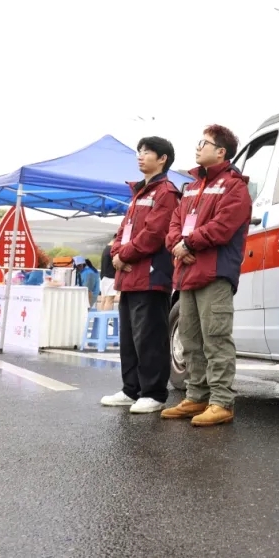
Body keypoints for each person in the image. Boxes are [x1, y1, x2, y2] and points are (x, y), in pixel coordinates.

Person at [161, 125, 252, 427]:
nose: (198, 147)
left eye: (205, 143)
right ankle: (196, 396)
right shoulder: (190, 187)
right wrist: (178, 245)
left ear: (221, 152)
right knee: (190, 339)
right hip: (187, 272)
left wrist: (188, 244)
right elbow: (174, 223)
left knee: (216, 338)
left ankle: (221, 401)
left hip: (214, 273)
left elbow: (223, 226)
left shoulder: (234, 186)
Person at [101, 136, 181, 414]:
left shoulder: (166, 192)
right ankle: (130, 389)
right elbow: (123, 230)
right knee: (129, 338)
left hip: (150, 277)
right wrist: (116, 252)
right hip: (129, 276)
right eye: (139, 151)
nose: (140, 155)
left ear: (163, 159)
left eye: (147, 152)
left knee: (149, 337)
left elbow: (155, 233)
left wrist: (124, 255)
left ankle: (154, 393)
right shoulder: (139, 193)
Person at [98, 240, 117, 311]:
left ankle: (101, 316)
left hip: (104, 277)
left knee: (103, 299)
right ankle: (107, 317)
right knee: (110, 300)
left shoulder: (106, 249)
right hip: (110, 278)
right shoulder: (112, 250)